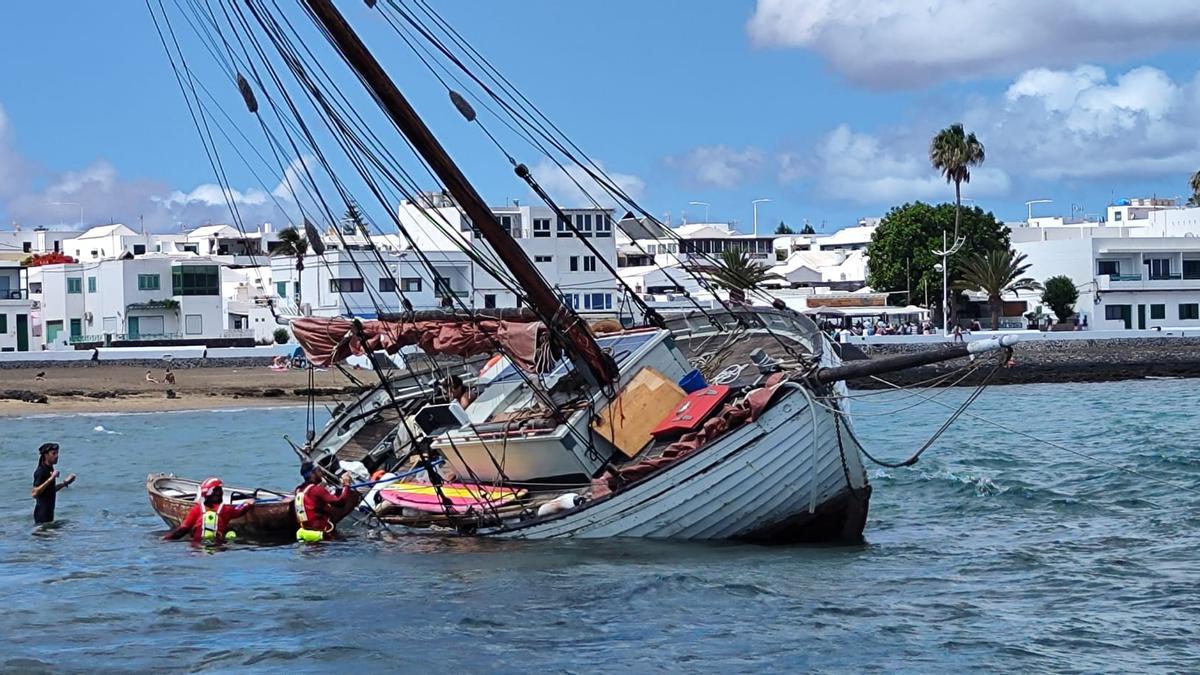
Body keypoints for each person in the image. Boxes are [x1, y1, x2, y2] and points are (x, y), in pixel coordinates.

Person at [163, 477, 252, 544]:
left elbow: (184, 529)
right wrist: (247, 504)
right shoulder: (225, 510)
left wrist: (166, 539)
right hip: (218, 546)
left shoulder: (197, 509)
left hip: (197, 546)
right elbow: (239, 511)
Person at [294, 461, 353, 543]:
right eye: (319, 470)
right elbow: (340, 502)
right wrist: (346, 485)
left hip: (306, 533)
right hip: (323, 536)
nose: (321, 473)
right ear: (312, 474)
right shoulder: (317, 490)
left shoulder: (298, 490)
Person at [32, 443, 75, 524]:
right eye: (53, 453)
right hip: (41, 516)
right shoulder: (41, 471)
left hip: (49, 514)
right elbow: (34, 493)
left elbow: (50, 490)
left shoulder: (49, 468)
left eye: (57, 453)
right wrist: (51, 478)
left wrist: (65, 483)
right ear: (45, 455)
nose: (57, 456)